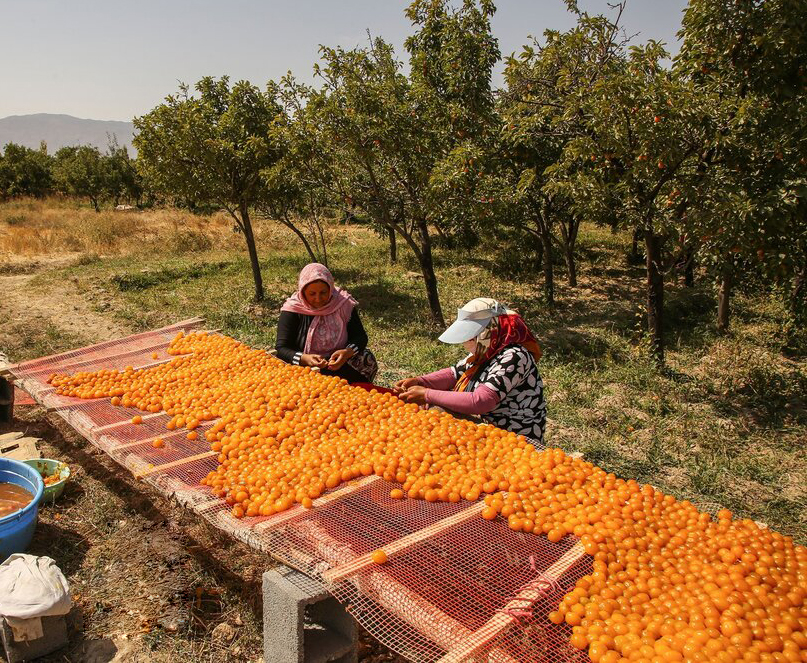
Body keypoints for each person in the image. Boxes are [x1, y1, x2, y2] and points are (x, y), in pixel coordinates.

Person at [394, 298, 546, 444]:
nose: (468, 341)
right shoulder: (487, 351)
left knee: (437, 411)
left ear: (490, 330)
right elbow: (454, 373)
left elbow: (481, 401)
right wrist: (420, 381)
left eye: (473, 336)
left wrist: (427, 394)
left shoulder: (514, 356)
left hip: (514, 437)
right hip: (488, 429)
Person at [276, 263, 378, 384]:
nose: (318, 299)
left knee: (367, 358)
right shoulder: (293, 309)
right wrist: (304, 358)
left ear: (330, 288)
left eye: (323, 293)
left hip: (339, 362)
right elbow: (282, 348)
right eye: (312, 294)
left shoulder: (342, 304)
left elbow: (360, 337)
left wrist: (346, 353)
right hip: (306, 366)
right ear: (303, 291)